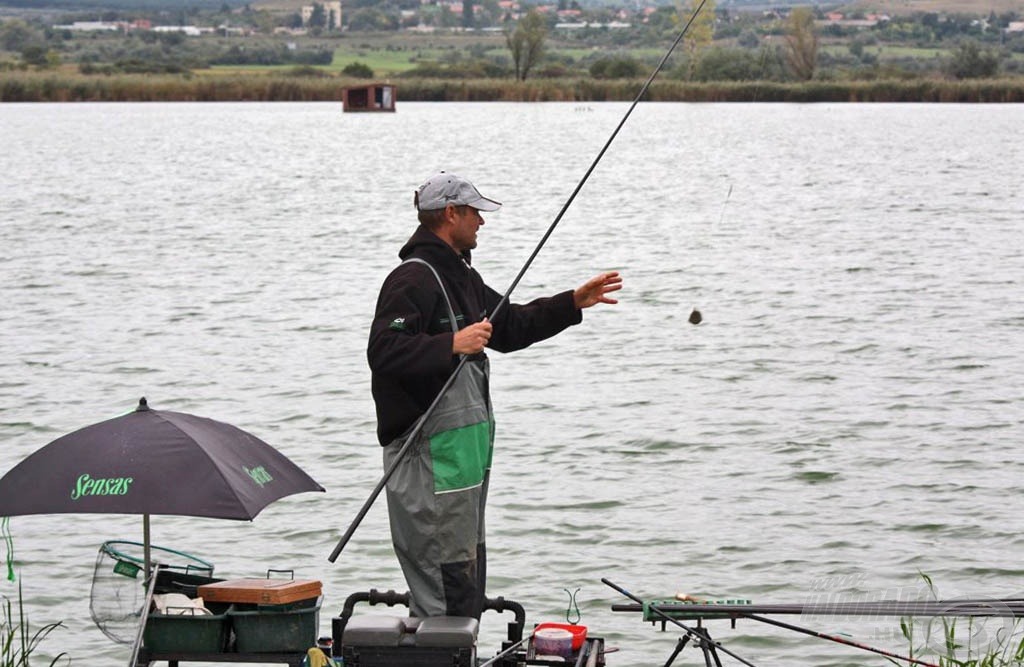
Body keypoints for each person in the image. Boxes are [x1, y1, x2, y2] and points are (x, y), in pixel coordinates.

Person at [367, 171, 621, 619]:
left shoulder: (461, 277)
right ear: (450, 214)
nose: (481, 222)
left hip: (461, 466)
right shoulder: (412, 279)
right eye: (475, 213)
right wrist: (450, 344)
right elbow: (384, 351)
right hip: (428, 461)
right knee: (444, 592)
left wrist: (571, 303)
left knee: (465, 586)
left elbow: (508, 327)